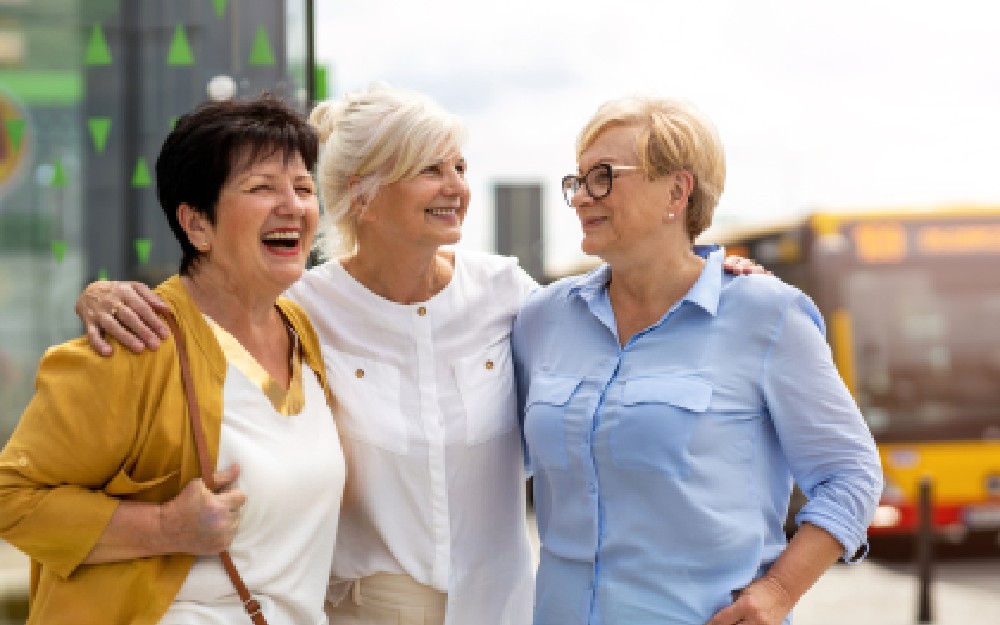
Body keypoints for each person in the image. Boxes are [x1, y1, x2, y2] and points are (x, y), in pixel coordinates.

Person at [73, 84, 765, 625]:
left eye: (459, 166)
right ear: (364, 197)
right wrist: (103, 295)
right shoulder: (301, 310)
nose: (456, 186)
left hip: (504, 610)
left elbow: (626, 332)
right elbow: (207, 310)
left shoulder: (510, 294)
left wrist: (712, 280)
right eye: (429, 169)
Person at [511, 96, 883, 625]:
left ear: (677, 191)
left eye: (603, 177)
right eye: (577, 181)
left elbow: (851, 473)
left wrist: (778, 592)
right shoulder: (540, 318)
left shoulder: (768, 315)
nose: (580, 198)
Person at [0, 95, 346, 625]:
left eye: (302, 188)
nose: (293, 205)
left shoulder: (302, 330)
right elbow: (12, 498)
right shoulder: (133, 344)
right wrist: (164, 526)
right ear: (197, 225)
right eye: (261, 188)